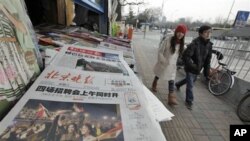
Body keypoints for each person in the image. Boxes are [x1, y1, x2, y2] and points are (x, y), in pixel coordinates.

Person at [175, 25, 213, 110]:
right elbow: (186, 56)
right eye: (206, 32)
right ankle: (189, 101)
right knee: (190, 85)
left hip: (198, 69)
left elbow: (208, 60)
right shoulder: (194, 43)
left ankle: (177, 84)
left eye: (210, 32)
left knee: (189, 80)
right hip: (191, 68)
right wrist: (193, 65)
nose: (208, 34)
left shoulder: (209, 45)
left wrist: (207, 73)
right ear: (200, 33)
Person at [151, 24, 187, 105]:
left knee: (171, 79)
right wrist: (163, 61)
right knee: (159, 74)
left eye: (182, 33)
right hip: (164, 62)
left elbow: (182, 55)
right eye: (179, 32)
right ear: (176, 32)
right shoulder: (168, 40)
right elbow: (160, 51)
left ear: (184, 34)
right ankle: (155, 82)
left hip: (172, 66)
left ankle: (171, 97)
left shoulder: (182, 44)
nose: (180, 34)